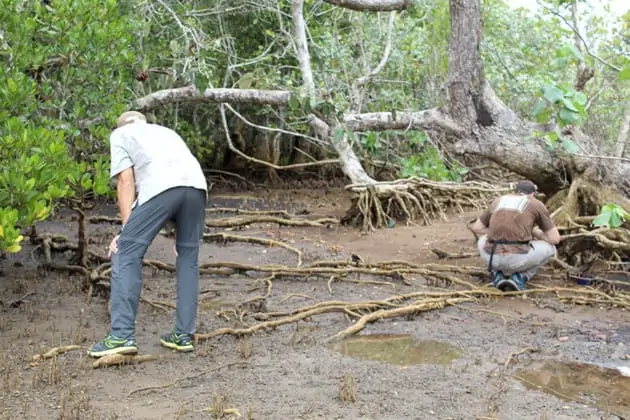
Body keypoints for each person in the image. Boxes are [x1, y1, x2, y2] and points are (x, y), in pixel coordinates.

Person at [87, 111, 208, 358]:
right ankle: (183, 334)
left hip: (163, 189)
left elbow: (126, 180)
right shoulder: (167, 132)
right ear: (143, 121)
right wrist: (177, 229)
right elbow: (180, 178)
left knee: (124, 252)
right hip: (197, 188)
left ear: (121, 124)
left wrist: (125, 231)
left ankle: (121, 336)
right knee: (187, 258)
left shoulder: (120, 134)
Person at [468, 180, 560, 292]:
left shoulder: (498, 201)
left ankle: (497, 274)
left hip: (492, 258)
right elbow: (555, 239)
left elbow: (477, 228)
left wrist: (497, 232)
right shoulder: (535, 203)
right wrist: (534, 231)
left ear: (515, 191)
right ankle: (521, 277)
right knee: (551, 248)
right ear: (533, 194)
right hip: (517, 260)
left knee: (483, 239)